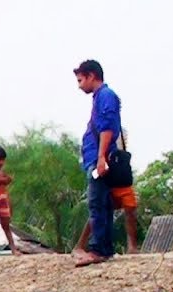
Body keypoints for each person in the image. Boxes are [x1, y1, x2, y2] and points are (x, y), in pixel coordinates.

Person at [74, 59, 122, 267]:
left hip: (99, 158)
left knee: (97, 203)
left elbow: (107, 129)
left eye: (80, 80)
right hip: (95, 157)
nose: (79, 85)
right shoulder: (100, 97)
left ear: (91, 76)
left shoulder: (105, 96)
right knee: (102, 203)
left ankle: (98, 249)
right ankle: (104, 247)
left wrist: (101, 157)